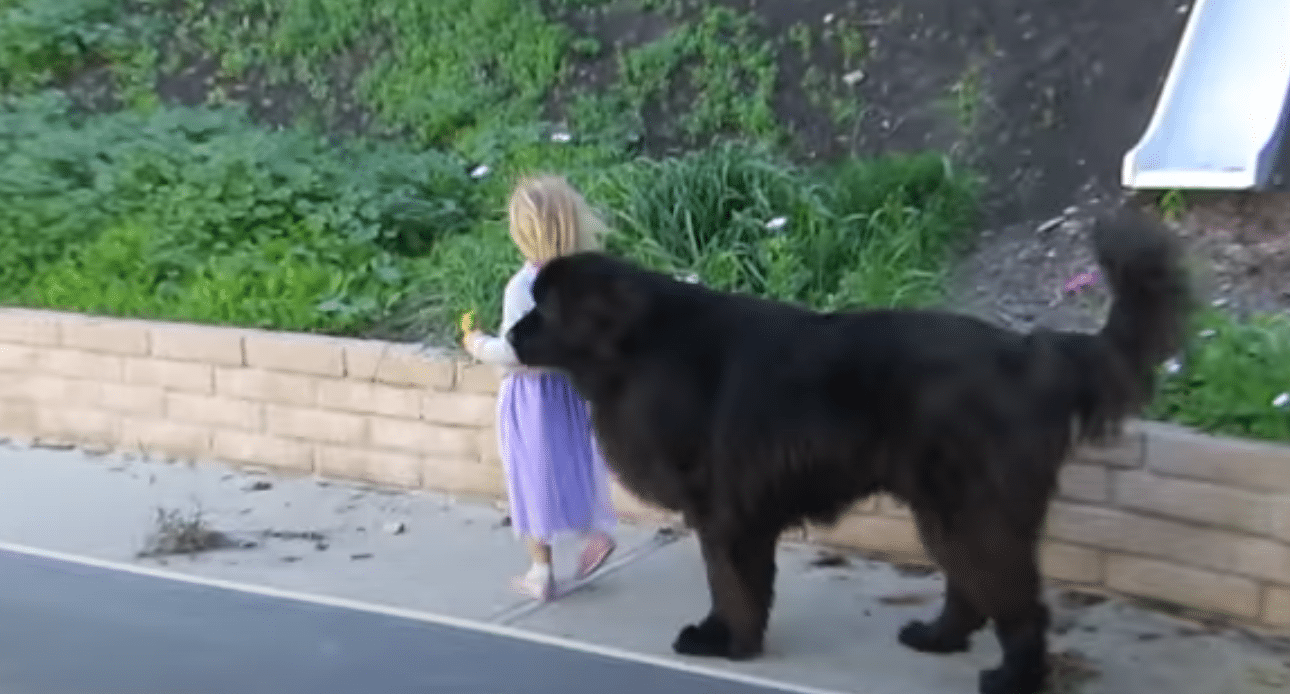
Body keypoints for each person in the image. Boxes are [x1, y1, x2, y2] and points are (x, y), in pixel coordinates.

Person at [461, 174, 618, 601]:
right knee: (575, 464)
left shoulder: (523, 286)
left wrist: (478, 345)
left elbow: (516, 351)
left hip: (530, 400)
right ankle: (596, 531)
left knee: (530, 477)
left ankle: (540, 571)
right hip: (569, 393)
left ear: (521, 230)